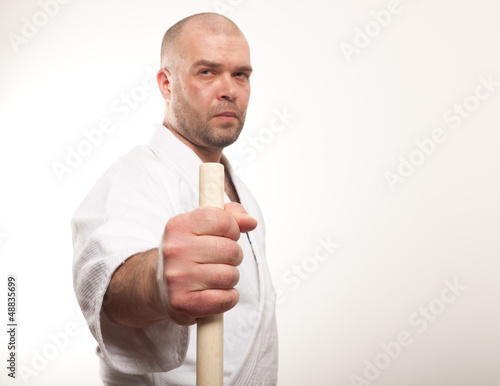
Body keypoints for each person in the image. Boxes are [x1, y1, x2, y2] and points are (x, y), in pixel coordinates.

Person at [71, 12, 279, 386]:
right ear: (166, 84)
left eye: (240, 74)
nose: (229, 88)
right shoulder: (132, 180)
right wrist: (156, 284)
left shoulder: (242, 191)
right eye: (207, 72)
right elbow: (109, 279)